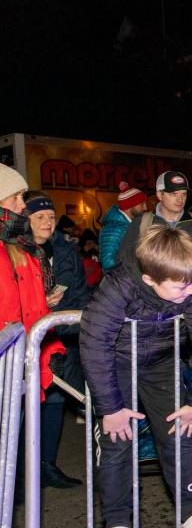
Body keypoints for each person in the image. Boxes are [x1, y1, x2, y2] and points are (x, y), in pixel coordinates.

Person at [79, 226, 192, 528]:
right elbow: (94, 345)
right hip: (115, 365)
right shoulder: (118, 287)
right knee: (117, 441)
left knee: (182, 433)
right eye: (182, 286)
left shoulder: (190, 285)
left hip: (160, 364)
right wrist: (110, 408)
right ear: (149, 278)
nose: (191, 291)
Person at [0, 164, 63, 528]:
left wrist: (44, 352)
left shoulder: (21, 248)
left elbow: (30, 310)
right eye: (17, 197)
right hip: (3, 366)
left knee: (7, 462)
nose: (24, 204)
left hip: (16, 370)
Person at [24, 192, 90, 489]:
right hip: (26, 344)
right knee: (24, 409)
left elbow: (80, 293)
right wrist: (44, 305)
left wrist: (69, 322)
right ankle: (20, 475)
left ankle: (47, 466)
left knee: (54, 402)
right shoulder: (17, 253)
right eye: (40, 217)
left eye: (51, 217)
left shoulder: (65, 252)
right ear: (25, 221)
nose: (47, 223)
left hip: (59, 342)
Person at [116, 171, 192, 271]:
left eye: (184, 194)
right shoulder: (141, 224)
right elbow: (124, 263)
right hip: (151, 292)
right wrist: (147, 287)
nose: (180, 199)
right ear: (159, 195)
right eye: (174, 194)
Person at [99, 181, 148, 272]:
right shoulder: (115, 228)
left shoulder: (129, 225)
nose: (146, 208)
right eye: (142, 204)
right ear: (130, 206)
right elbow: (108, 263)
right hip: (121, 284)